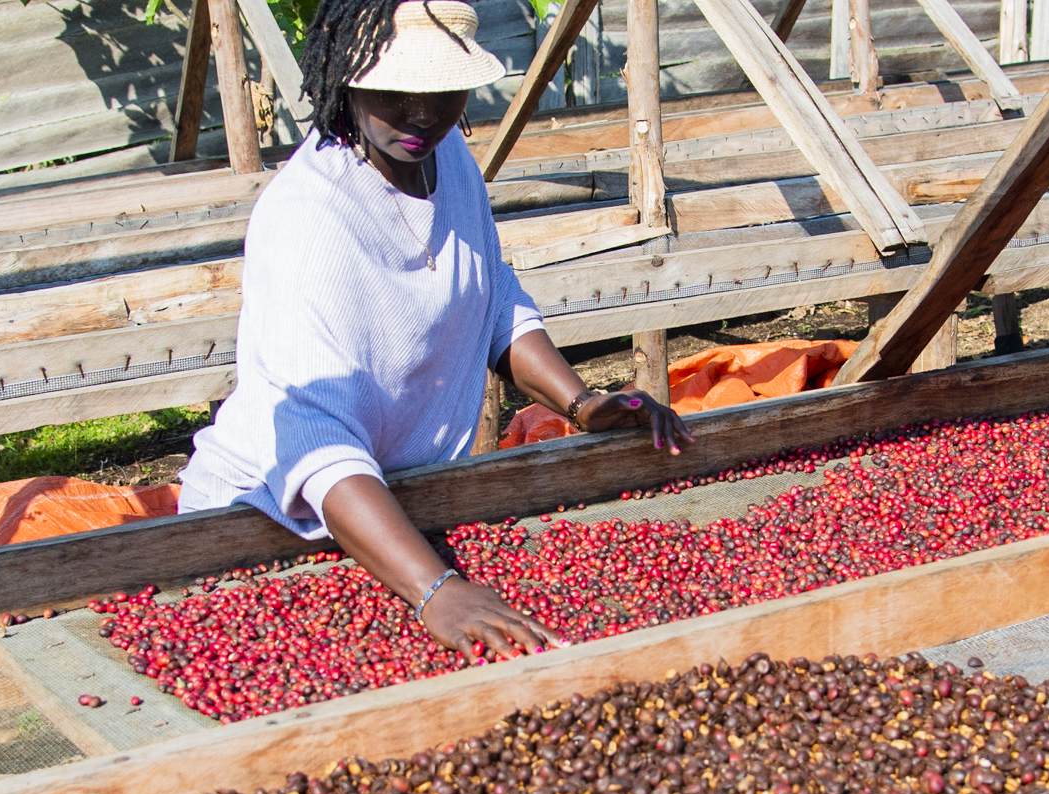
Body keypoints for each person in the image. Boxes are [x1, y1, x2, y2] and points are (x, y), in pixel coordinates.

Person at [178, 0, 693, 662]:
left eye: (442, 91)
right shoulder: (310, 219)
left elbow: (489, 295)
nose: (421, 114)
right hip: (267, 524)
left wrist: (579, 402)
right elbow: (314, 433)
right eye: (396, 92)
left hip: (388, 518)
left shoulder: (450, 162)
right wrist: (436, 589)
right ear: (346, 77)